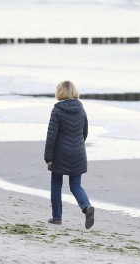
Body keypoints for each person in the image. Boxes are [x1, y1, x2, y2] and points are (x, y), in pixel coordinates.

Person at [44, 80, 95, 229]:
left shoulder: (57, 110)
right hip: (78, 152)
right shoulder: (81, 109)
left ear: (59, 92)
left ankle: (57, 217)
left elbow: (51, 136)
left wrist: (48, 157)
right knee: (76, 185)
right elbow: (84, 132)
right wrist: (78, 145)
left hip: (60, 154)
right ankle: (86, 208)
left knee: (56, 184)